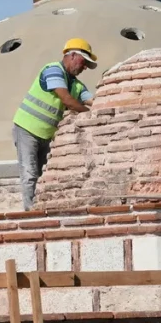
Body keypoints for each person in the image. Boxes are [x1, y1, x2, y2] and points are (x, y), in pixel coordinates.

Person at [11, 38, 98, 209]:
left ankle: (42, 210)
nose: (85, 67)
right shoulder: (53, 70)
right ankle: (30, 214)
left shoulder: (76, 85)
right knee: (29, 174)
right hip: (27, 130)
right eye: (84, 62)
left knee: (45, 176)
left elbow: (93, 101)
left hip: (46, 136)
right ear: (72, 55)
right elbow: (67, 100)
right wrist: (90, 114)